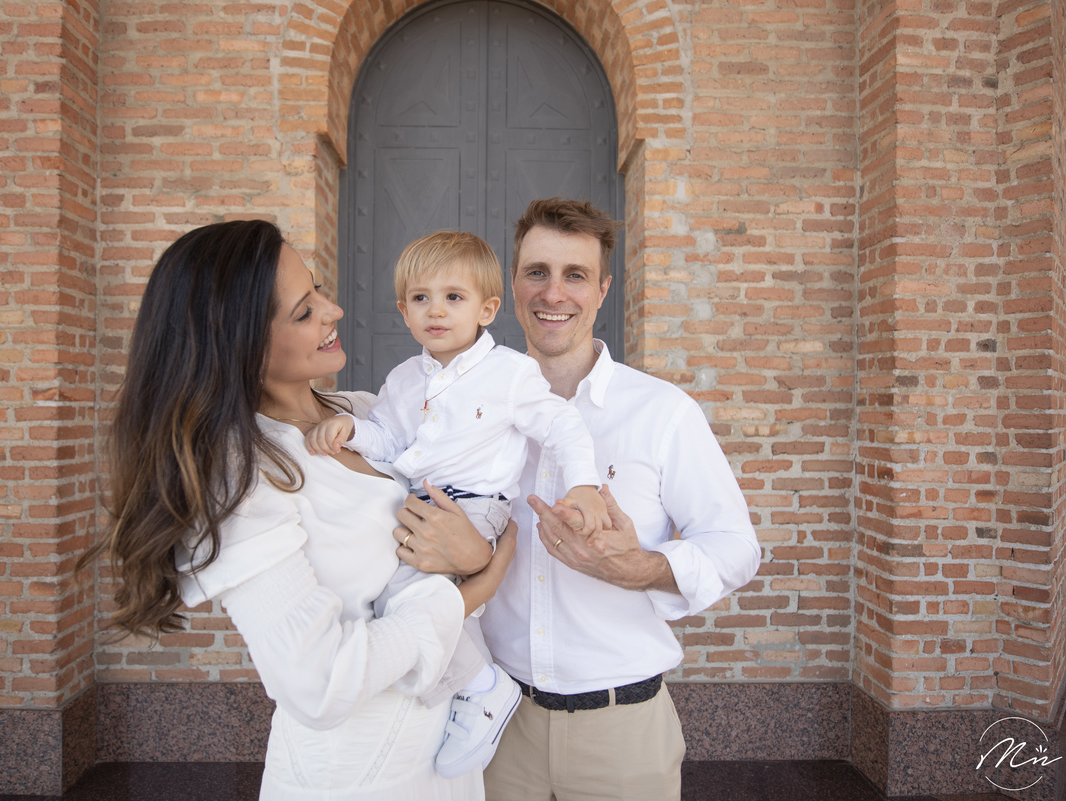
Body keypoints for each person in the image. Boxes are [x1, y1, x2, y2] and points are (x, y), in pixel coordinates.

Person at [77, 220, 514, 801]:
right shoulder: (239, 477)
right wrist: (466, 594)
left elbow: (471, 502)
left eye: (318, 291)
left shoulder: (363, 411)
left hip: (447, 754)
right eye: (304, 311)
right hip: (357, 775)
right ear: (239, 342)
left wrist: (476, 552)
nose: (333, 311)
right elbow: (317, 683)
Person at [392, 198, 762, 801]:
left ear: (602, 290)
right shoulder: (448, 407)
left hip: (623, 733)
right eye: (537, 272)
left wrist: (640, 567)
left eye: (576, 276)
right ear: (511, 287)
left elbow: (736, 549)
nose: (553, 293)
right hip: (493, 723)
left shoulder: (663, 413)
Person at [305, 230, 608, 777]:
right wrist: (351, 430)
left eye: (454, 297)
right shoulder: (402, 381)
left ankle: (481, 687)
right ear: (403, 310)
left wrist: (583, 484)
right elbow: (391, 443)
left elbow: (563, 425)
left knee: (409, 594)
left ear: (488, 308)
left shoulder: (511, 374)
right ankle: (466, 685)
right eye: (420, 299)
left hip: (475, 507)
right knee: (394, 592)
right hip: (418, 501)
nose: (435, 311)